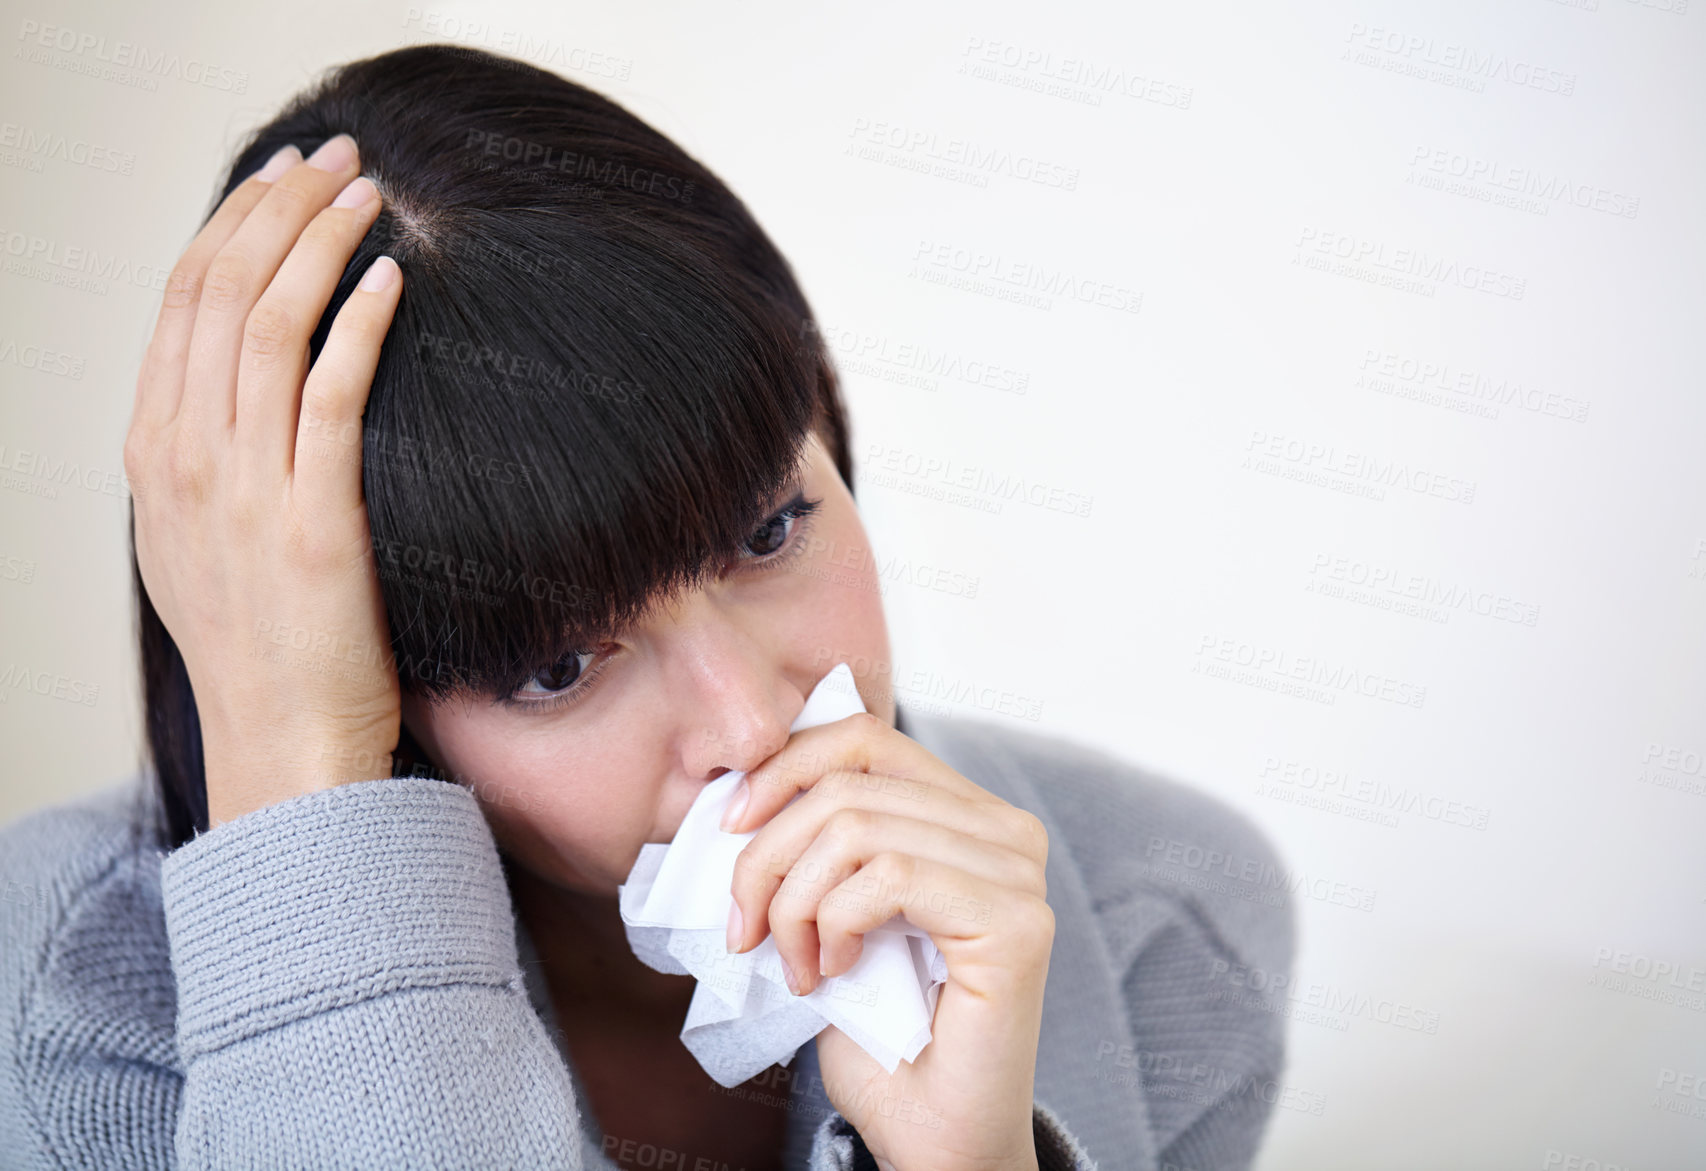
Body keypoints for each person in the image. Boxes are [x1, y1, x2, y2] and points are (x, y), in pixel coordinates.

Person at [0, 44, 1295, 1171]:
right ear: (373, 692)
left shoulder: (1156, 917)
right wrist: (293, 770)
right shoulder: (56, 1004)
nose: (747, 724)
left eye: (770, 529)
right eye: (560, 664)